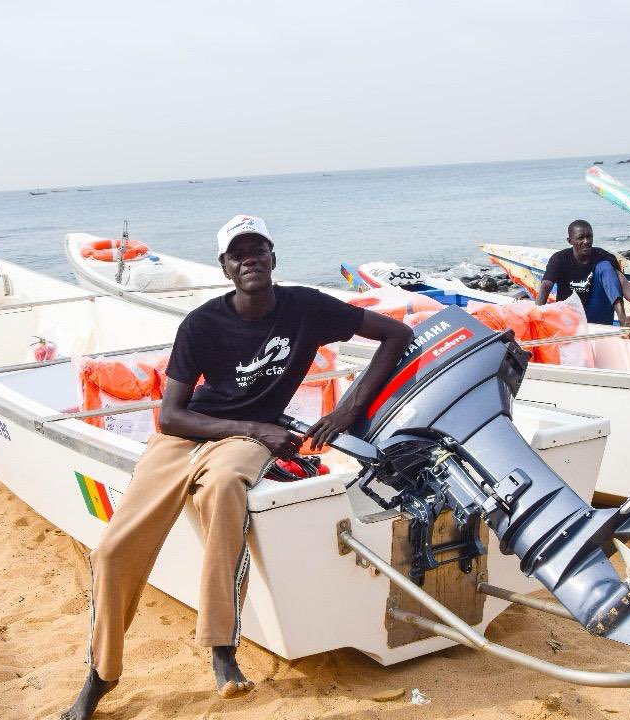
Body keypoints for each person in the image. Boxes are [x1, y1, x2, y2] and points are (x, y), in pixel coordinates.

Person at [60, 215, 413, 719]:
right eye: (237, 253)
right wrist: (253, 430)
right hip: (190, 435)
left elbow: (395, 334)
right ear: (224, 266)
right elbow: (172, 415)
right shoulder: (202, 323)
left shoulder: (306, 307)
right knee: (115, 549)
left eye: (258, 248)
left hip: (245, 442)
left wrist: (346, 410)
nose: (250, 258)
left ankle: (222, 648)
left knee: (225, 487)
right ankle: (100, 675)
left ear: (273, 257)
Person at [536, 220, 630, 327]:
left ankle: (622, 319)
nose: (586, 241)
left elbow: (622, 281)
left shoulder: (603, 256)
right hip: (571, 316)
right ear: (570, 241)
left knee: (605, 266)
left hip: (597, 314)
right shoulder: (559, 259)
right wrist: (537, 318)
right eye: (581, 238)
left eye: (589, 237)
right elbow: (546, 286)